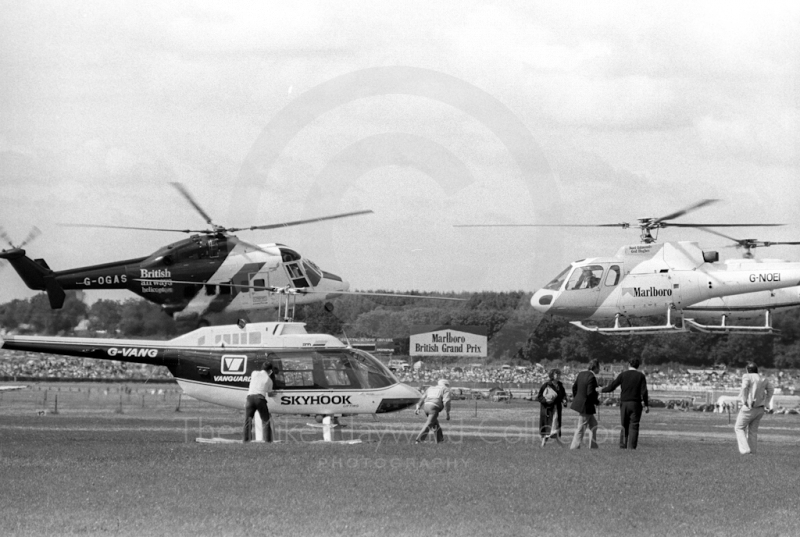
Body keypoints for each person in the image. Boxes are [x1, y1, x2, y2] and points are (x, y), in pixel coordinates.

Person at [600, 358, 650, 449]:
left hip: (624, 403)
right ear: (638, 366)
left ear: (629, 365)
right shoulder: (641, 376)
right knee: (634, 425)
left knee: (624, 426)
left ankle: (623, 446)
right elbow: (644, 392)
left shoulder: (623, 375)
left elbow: (612, 387)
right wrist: (646, 404)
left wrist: (602, 390)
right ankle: (632, 447)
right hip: (635, 404)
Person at [734, 362, 774, 455]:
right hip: (760, 409)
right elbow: (771, 390)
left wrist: (744, 400)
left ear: (748, 370)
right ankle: (752, 452)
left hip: (749, 407)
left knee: (739, 428)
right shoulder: (763, 378)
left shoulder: (747, 376)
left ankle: (745, 449)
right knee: (753, 431)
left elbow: (744, 387)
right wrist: (766, 402)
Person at [570, 359, 601, 450]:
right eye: (598, 367)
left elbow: (574, 387)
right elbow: (590, 393)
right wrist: (597, 401)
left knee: (594, 425)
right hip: (586, 405)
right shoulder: (592, 377)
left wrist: (577, 398)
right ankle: (574, 447)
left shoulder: (581, 374)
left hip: (582, 404)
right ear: (595, 367)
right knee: (581, 427)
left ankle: (593, 446)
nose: (599, 369)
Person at [243, 362, 274, 443]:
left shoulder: (254, 373)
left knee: (248, 421)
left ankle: (246, 441)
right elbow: (270, 394)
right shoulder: (269, 380)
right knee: (265, 421)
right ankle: (268, 441)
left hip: (249, 399)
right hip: (260, 399)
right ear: (270, 371)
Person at [414, 379, 452, 444]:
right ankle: (419, 440)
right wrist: (447, 413)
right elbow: (446, 402)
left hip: (426, 406)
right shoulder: (445, 389)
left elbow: (422, 398)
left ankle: (440, 440)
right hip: (434, 407)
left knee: (435, 424)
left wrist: (418, 407)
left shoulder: (431, 388)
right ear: (446, 384)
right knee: (429, 423)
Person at [537, 368, 567, 447]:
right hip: (548, 409)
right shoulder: (546, 385)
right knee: (549, 427)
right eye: (556, 374)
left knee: (554, 426)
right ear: (552, 375)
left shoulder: (560, 386)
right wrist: (546, 401)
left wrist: (564, 400)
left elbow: (563, 395)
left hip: (557, 408)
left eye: (559, 374)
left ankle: (559, 445)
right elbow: (539, 397)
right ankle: (559, 445)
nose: (558, 376)